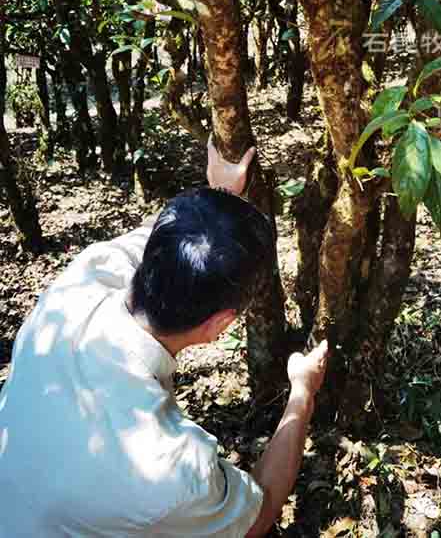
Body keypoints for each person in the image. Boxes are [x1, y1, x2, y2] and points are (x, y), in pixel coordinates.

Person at [0, 140, 328, 537]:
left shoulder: (76, 286)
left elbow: (163, 244)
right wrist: (302, 394)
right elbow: (257, 518)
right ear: (219, 325)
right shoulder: (173, 471)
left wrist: (218, 195)